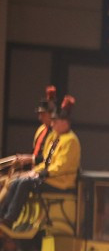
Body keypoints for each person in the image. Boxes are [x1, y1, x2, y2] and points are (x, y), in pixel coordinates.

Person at [0, 95, 80, 228]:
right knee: (16, 181)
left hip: (60, 182)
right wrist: (34, 171)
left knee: (24, 183)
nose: (52, 124)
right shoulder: (56, 138)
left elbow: (61, 166)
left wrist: (41, 173)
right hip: (51, 177)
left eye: (55, 121)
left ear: (64, 123)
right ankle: (3, 215)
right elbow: (47, 161)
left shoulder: (70, 140)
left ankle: (10, 219)